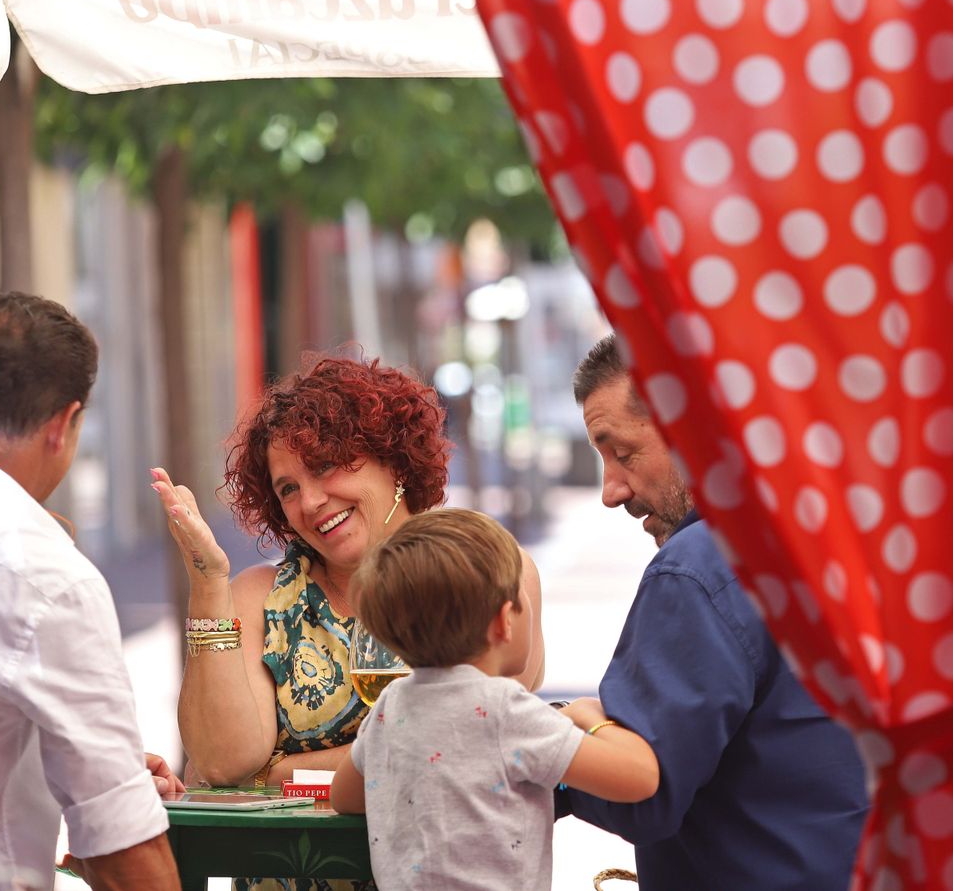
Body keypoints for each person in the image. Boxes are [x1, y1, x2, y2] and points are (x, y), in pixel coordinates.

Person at [155, 356, 542, 891]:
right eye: (288, 489)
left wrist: (279, 774)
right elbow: (224, 765)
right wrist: (207, 581)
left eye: (325, 466)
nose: (311, 502)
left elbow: (471, 741)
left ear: (393, 458)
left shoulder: (483, 566)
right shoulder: (260, 596)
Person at [0, 292, 183, 891]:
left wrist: (66, 768)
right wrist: (107, 787)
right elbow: (126, 856)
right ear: (62, 426)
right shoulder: (47, 576)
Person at [562, 336, 870, 889]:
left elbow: (644, 794)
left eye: (622, 453)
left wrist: (562, 735)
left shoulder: (699, 567)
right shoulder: (843, 529)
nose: (612, 491)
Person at [329, 508, 658, 890]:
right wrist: (591, 718)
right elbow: (641, 778)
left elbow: (344, 796)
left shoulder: (391, 705)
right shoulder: (507, 711)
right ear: (504, 621)